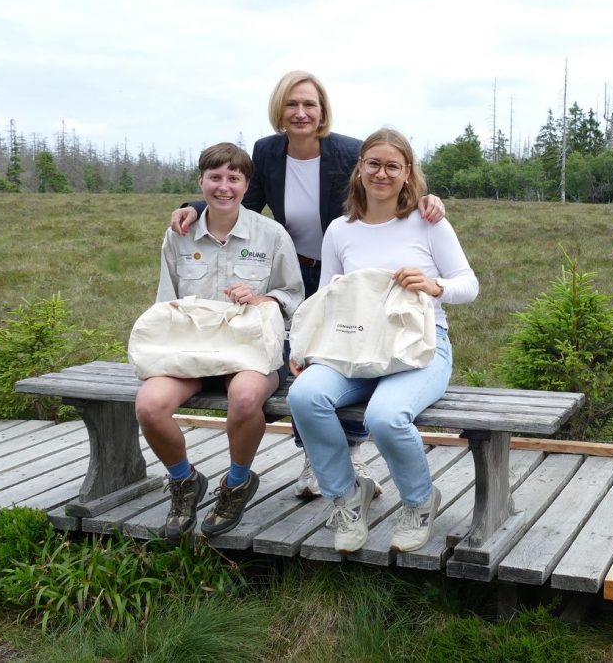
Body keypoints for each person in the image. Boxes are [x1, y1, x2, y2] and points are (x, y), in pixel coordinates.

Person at [170, 71, 447, 500]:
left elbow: (384, 184)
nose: (300, 113)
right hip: (295, 269)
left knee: (353, 353)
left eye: (309, 105)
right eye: (292, 104)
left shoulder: (348, 151)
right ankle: (314, 459)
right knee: (304, 362)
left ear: (322, 111)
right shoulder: (267, 151)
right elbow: (244, 199)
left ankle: (351, 454)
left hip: (349, 276)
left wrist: (427, 199)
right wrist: (194, 207)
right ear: (279, 109)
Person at [286, 128, 478, 554]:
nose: (382, 173)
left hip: (420, 347)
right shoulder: (340, 230)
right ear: (360, 168)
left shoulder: (428, 223)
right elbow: (328, 297)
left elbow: (470, 284)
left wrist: (434, 285)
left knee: (385, 416)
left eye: (393, 166)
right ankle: (346, 496)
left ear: (408, 172)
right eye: (373, 164)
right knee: (305, 395)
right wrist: (305, 348)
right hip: (354, 347)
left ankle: (419, 501)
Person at [136, 142, 304, 541]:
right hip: (190, 348)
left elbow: (294, 297)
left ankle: (237, 482)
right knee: (149, 405)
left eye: (234, 178)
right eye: (215, 177)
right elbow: (166, 301)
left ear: (247, 185)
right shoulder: (180, 234)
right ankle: (184, 481)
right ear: (201, 181)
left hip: (249, 349)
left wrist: (262, 297)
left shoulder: (271, 234)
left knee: (244, 398)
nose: (224, 187)